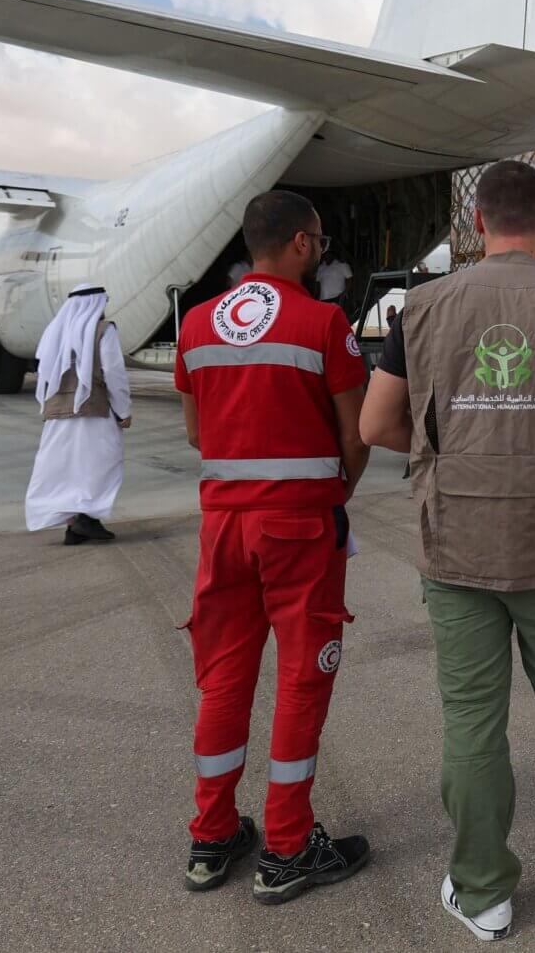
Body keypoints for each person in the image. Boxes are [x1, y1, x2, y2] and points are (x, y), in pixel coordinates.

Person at [358, 160, 535, 942]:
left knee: (472, 722)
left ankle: (484, 892)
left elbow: (374, 426)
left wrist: (443, 454)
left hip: (456, 549)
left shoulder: (418, 310)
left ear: (477, 223)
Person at [173, 192, 373, 904]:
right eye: (317, 240)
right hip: (298, 528)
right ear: (296, 244)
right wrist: (331, 493)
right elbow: (357, 434)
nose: (320, 251)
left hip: (222, 529)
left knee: (223, 678)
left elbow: (198, 435)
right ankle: (286, 848)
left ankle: (212, 834)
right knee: (300, 680)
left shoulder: (196, 325)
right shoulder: (325, 324)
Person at [23, 285, 129, 545]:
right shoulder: (104, 330)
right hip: (95, 411)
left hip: (58, 412)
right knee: (98, 465)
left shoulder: (55, 331)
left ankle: (75, 525)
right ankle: (85, 519)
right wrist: (124, 410)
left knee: (64, 467)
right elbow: (114, 373)